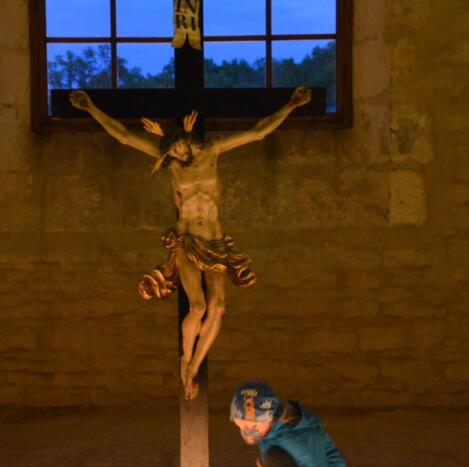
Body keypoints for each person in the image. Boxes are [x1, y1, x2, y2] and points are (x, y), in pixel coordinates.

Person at [69, 87, 312, 400]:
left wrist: (291, 105)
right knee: (197, 307)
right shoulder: (170, 162)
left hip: (215, 240)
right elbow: (125, 137)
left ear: (187, 138)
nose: (175, 154)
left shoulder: (213, 149)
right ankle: (186, 361)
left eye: (178, 148)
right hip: (187, 240)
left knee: (218, 307)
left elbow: (258, 132)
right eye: (171, 151)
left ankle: (194, 367)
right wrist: (91, 108)